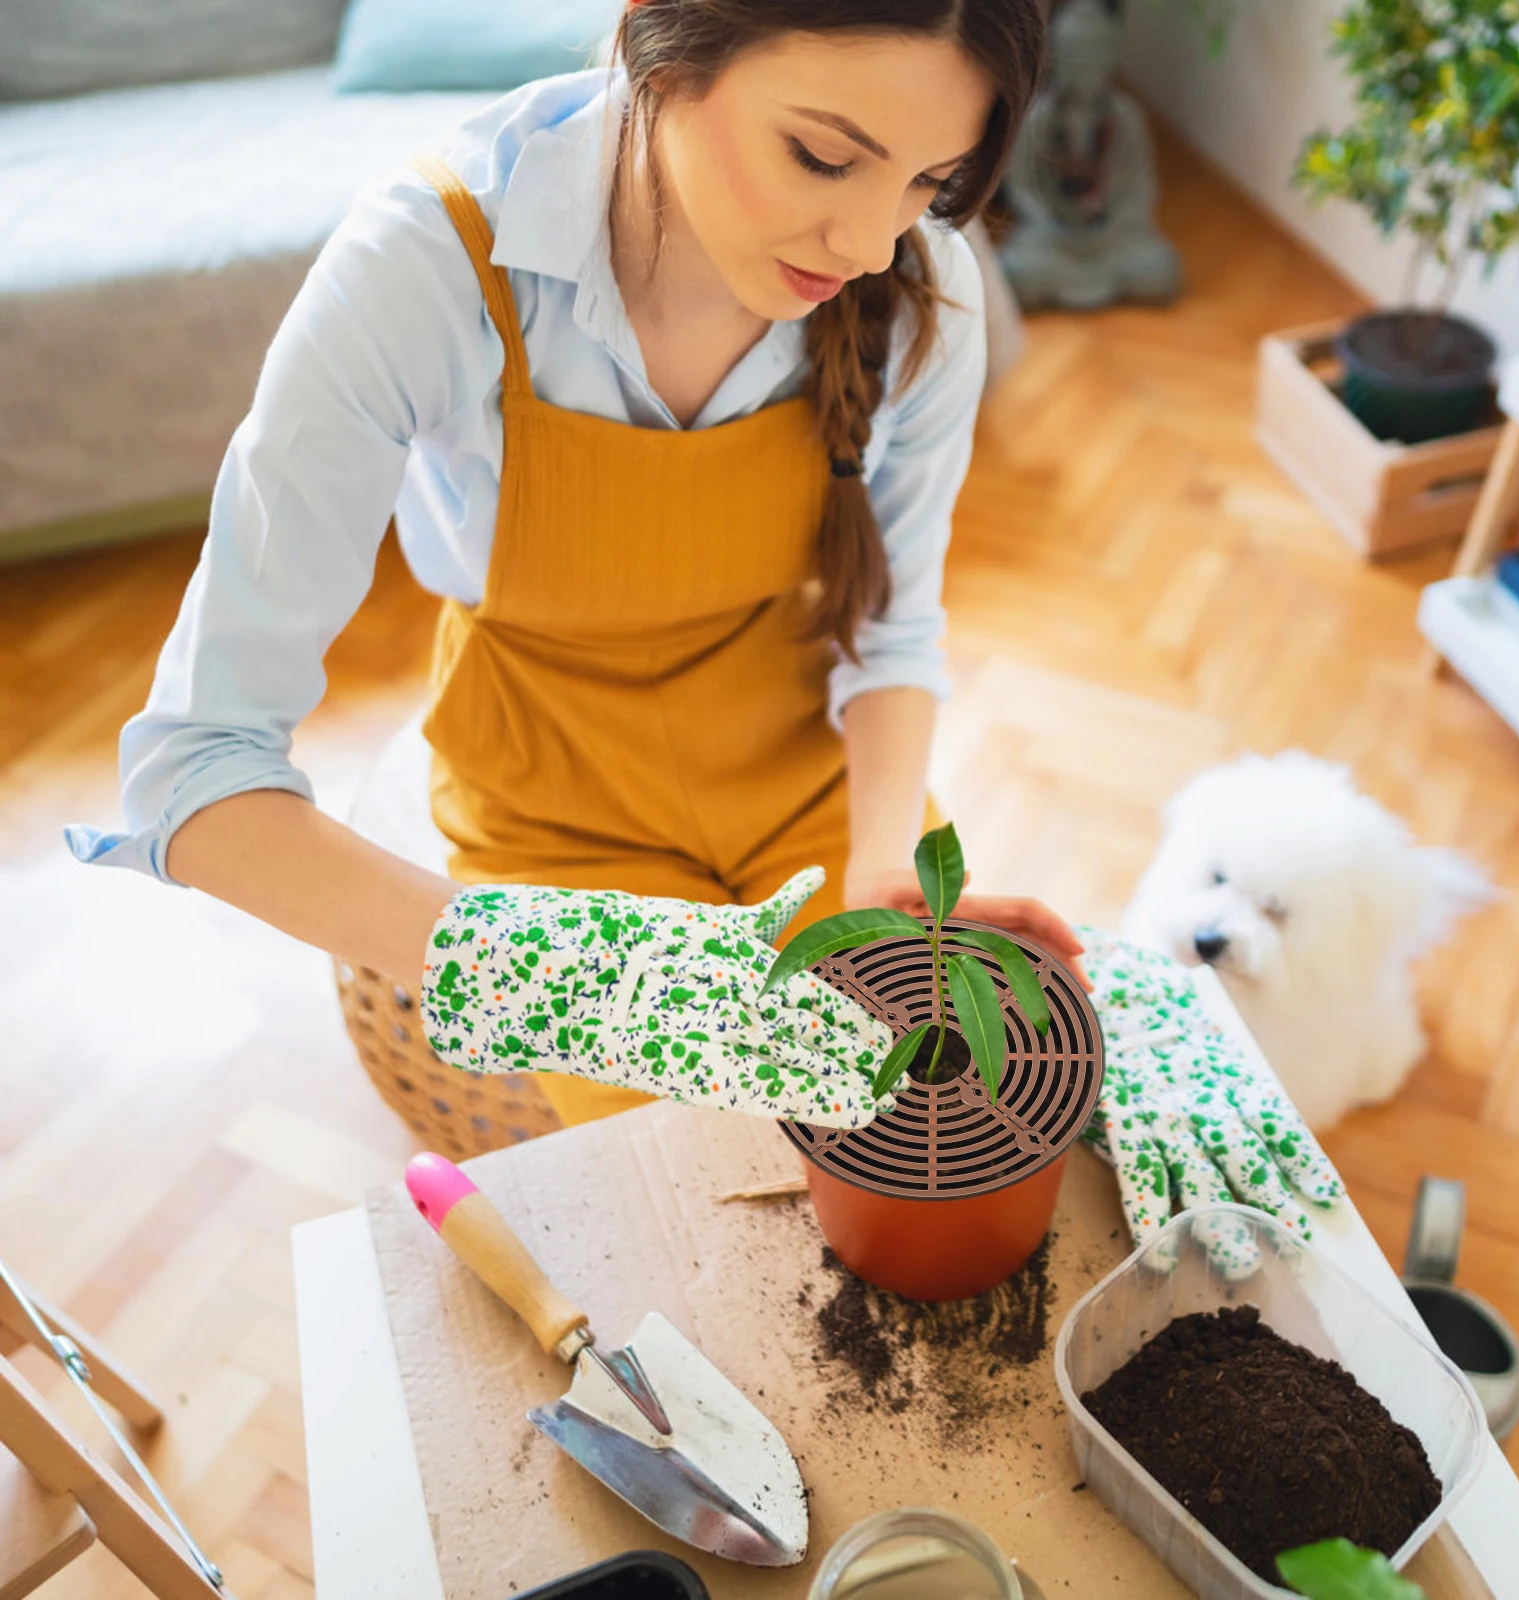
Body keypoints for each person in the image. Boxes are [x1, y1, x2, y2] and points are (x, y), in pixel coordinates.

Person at [68, 0, 1087, 1130]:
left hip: (813, 769)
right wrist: (559, 967)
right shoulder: (429, 261)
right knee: (692, 1192)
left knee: (935, 1120)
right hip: (548, 786)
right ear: (662, 41)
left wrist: (883, 873)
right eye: (822, 156)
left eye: (925, 181)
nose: (867, 245)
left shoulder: (924, 288)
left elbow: (893, 633)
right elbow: (193, 774)